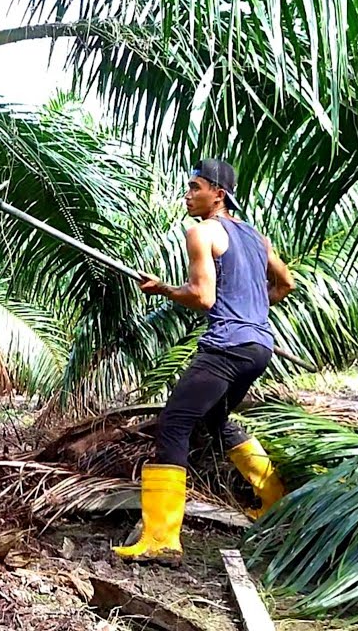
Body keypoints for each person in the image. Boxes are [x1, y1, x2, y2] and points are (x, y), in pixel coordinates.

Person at [113, 158, 296, 566]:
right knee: (216, 420)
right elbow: (286, 283)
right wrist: (250, 309)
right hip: (258, 347)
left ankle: (161, 540)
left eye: (195, 187)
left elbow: (202, 297)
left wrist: (164, 289)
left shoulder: (202, 232)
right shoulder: (256, 237)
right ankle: (275, 503)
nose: (188, 195)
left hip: (226, 347)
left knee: (174, 423)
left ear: (219, 193)